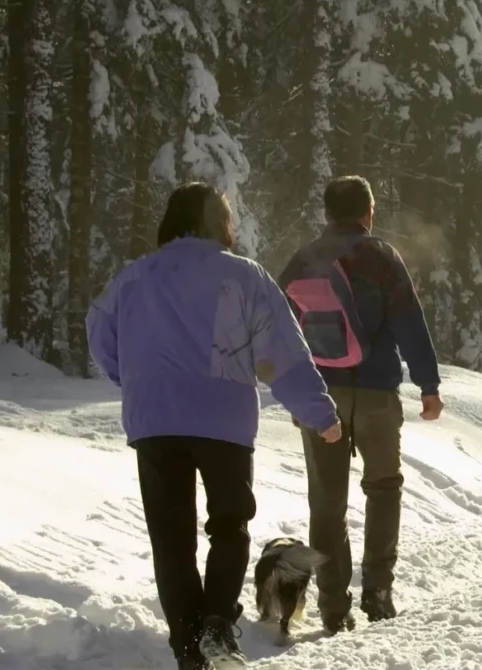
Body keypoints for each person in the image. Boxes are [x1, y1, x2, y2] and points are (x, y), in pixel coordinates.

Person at [88, 182, 343, 670]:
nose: (234, 225)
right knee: (229, 525)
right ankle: (218, 627)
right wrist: (319, 414)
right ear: (215, 222)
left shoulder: (132, 278)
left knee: (171, 538)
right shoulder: (244, 275)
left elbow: (100, 335)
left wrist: (134, 376)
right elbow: (282, 350)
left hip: (155, 418)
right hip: (222, 420)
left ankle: (189, 650)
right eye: (228, 216)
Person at [275, 175, 443, 634]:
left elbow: (281, 328)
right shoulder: (382, 257)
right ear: (369, 212)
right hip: (376, 392)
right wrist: (428, 384)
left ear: (327, 213)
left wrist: (296, 391)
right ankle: (378, 591)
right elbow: (410, 322)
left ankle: (333, 606)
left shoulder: (304, 259)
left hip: (321, 395)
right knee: (384, 487)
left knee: (326, 503)